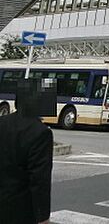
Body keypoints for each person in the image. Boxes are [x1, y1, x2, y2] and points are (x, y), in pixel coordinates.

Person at [0, 81, 54, 224]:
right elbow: (40, 180)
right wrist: (43, 216)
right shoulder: (41, 133)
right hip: (20, 210)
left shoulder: (2, 122)